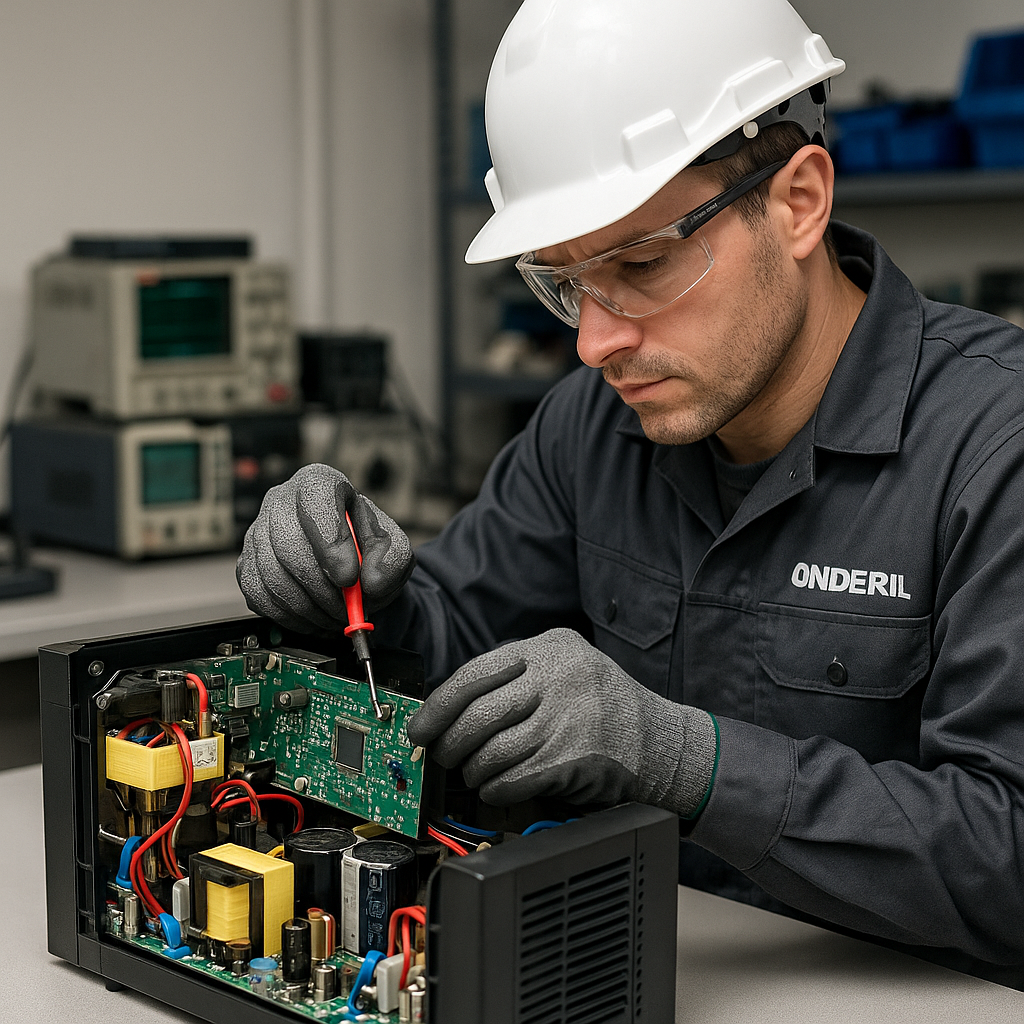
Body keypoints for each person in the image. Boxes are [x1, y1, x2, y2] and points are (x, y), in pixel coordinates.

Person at [237, 0, 1024, 985]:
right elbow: (450, 674)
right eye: (562, 284)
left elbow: (1009, 856)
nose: (594, 342)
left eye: (642, 265)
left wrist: (681, 758)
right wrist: (363, 596)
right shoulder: (589, 428)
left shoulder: (996, 448)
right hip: (627, 975)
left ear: (797, 202)